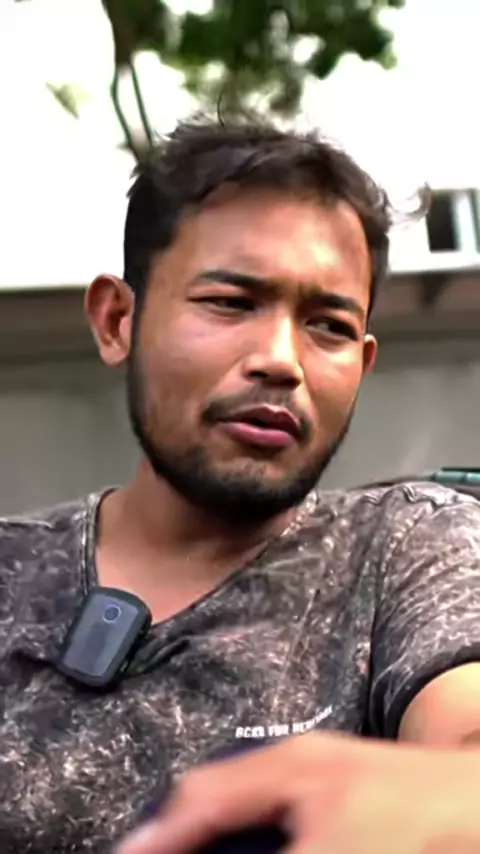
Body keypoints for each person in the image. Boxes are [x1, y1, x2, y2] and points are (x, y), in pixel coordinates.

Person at [3, 115, 480, 854]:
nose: (281, 360)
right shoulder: (12, 575)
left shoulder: (406, 552)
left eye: (328, 325)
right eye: (230, 302)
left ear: (363, 363)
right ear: (117, 320)